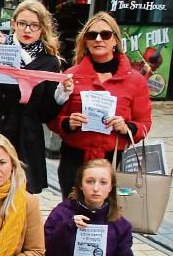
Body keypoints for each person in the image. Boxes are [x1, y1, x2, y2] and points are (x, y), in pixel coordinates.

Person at [49, 11, 152, 198]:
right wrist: (68, 123)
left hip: (112, 161)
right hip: (74, 160)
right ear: (85, 41)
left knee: (106, 219)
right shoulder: (71, 75)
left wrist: (126, 127)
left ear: (115, 41)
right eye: (92, 35)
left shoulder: (135, 80)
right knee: (72, 216)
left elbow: (145, 124)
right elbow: (52, 117)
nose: (98, 39)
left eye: (105, 34)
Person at [0, 0, 73, 193]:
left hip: (28, 139)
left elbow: (45, 115)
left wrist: (61, 94)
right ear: (13, 23)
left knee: (24, 199)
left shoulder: (49, 62)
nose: (27, 30)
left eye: (34, 25)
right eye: (22, 23)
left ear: (42, 29)